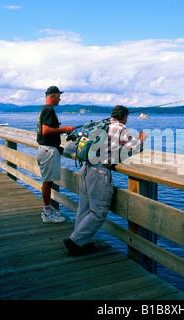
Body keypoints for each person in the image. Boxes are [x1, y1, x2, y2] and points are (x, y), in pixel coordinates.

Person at [64, 105, 148, 255]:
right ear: (124, 117)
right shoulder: (120, 128)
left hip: (85, 169)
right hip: (99, 172)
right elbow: (133, 147)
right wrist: (141, 140)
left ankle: (80, 242)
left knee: (84, 208)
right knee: (98, 213)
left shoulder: (101, 124)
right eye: (126, 118)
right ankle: (75, 241)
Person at [37, 86, 76, 223]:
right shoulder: (49, 110)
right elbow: (45, 131)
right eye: (59, 95)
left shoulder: (44, 109)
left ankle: (47, 210)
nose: (60, 98)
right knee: (47, 182)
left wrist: (56, 146)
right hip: (48, 151)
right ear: (53, 95)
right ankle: (47, 213)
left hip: (47, 149)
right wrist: (65, 129)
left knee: (47, 181)